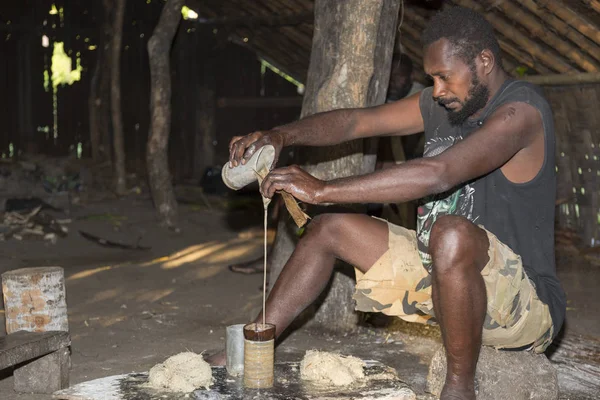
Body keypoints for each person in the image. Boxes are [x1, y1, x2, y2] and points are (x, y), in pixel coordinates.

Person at [219, 7, 566, 400]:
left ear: (484, 61)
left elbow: (439, 173)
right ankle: (254, 347)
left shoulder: (522, 111)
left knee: (449, 233)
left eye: (444, 77)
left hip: (524, 304)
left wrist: (322, 190)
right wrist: (281, 136)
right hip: (444, 281)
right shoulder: (444, 105)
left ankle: (458, 390)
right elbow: (355, 123)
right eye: (432, 78)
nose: (437, 90)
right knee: (330, 228)